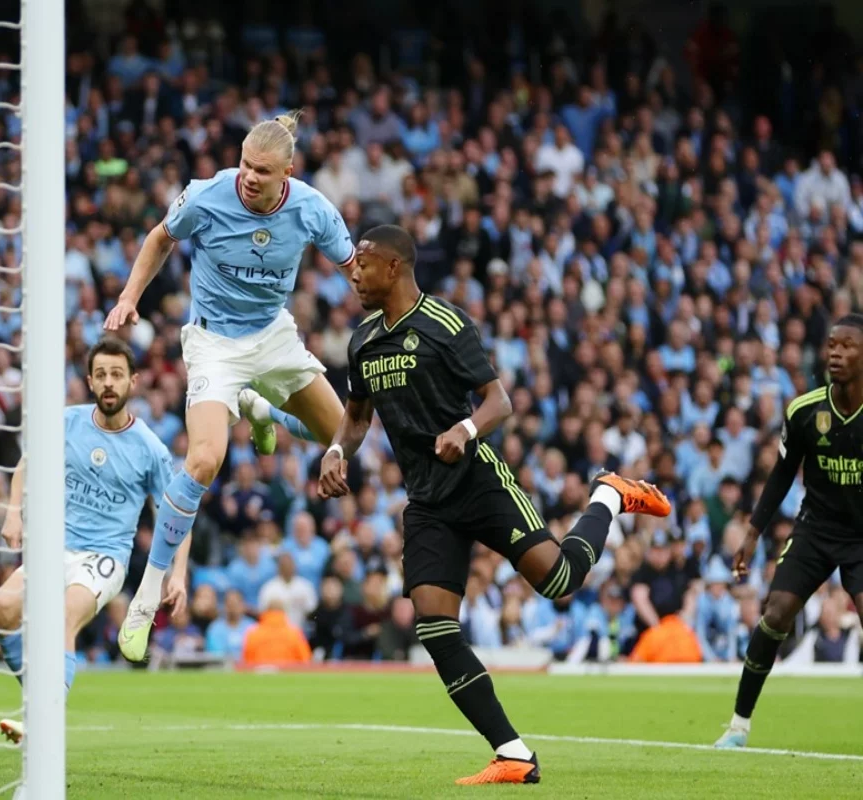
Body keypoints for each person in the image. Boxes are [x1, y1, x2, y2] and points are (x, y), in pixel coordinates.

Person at [318, 225, 671, 786]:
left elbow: (498, 400)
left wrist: (465, 427)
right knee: (433, 624)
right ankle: (512, 752)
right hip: (427, 500)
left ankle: (609, 494)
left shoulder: (445, 324)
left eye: (362, 263)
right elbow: (358, 414)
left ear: (394, 267)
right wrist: (337, 449)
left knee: (558, 582)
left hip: (477, 480)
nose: (352, 272)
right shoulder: (362, 341)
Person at [104, 111, 357, 661]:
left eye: (262, 170)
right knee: (204, 459)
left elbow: (357, 269)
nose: (248, 176)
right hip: (213, 342)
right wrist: (130, 297)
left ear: (287, 171)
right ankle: (146, 595)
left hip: (272, 337)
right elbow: (160, 238)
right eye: (244, 163)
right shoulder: (209, 195)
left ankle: (261, 411)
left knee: (342, 434)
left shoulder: (313, 209)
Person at [0, 337, 186, 744]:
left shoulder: (150, 449)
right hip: (53, 548)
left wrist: (178, 574)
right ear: (90, 381)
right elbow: (26, 466)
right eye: (101, 375)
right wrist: (13, 513)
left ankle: (44, 721)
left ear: (133, 382)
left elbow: (176, 514)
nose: (109, 383)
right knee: (2, 609)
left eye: (117, 374)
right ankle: (37, 699)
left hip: (104, 559)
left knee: (62, 618)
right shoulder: (68, 422)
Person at [715, 314, 863, 749]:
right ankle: (739, 725)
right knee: (776, 611)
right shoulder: (804, 410)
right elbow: (781, 475)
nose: (836, 353)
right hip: (815, 530)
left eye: (847, 346)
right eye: (832, 345)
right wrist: (753, 531)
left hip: (861, 540)